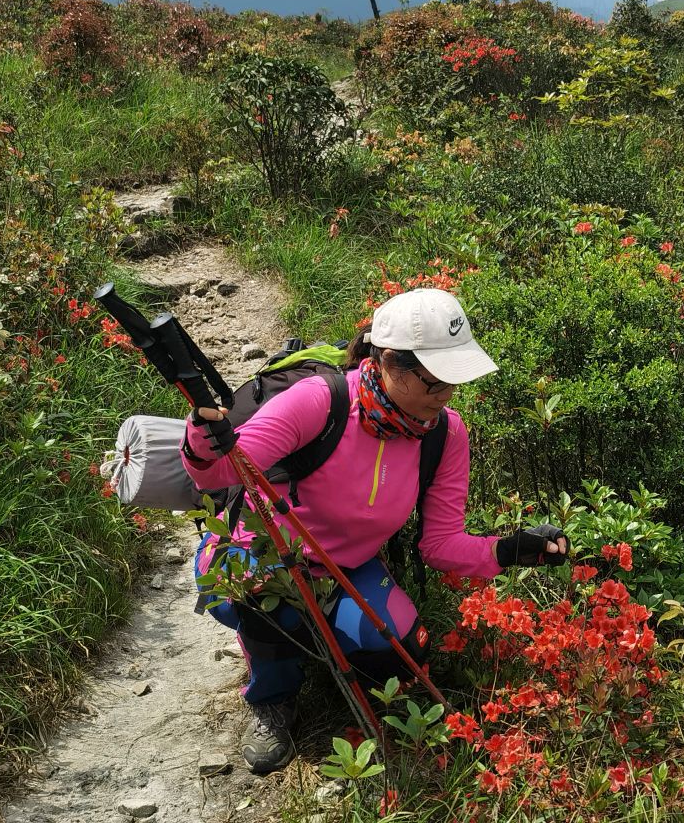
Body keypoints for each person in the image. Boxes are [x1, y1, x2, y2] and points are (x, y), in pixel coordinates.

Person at [179, 288, 569, 774]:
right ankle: (272, 698)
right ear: (388, 362)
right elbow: (222, 473)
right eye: (435, 381)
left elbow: (440, 544)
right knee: (264, 603)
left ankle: (323, 649)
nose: (448, 393)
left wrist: (511, 549)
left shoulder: (446, 434)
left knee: (403, 653)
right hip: (261, 554)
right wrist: (202, 436)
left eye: (454, 379)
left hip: (349, 566)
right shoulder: (319, 402)